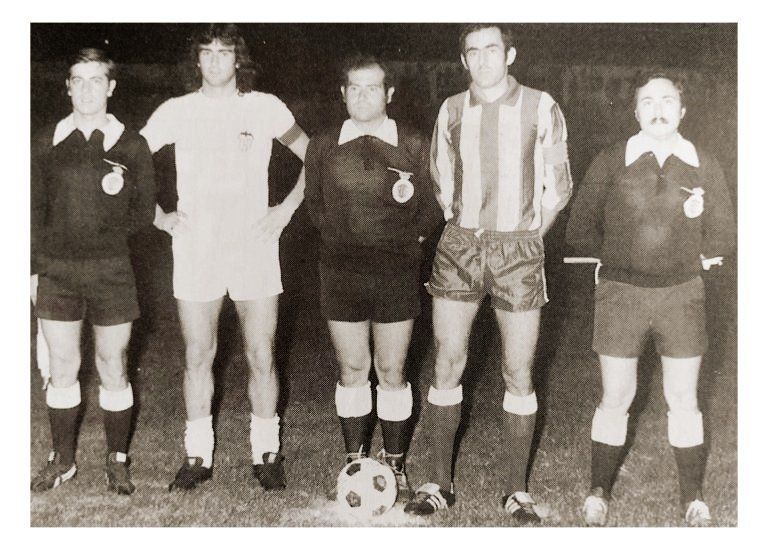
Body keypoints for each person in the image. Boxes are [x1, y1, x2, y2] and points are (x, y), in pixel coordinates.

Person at [404, 24, 573, 521]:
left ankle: (515, 490)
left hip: (518, 248)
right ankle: (438, 482)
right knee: (446, 362)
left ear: (510, 54)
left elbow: (558, 184)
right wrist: (463, 222)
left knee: (518, 370)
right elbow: (440, 176)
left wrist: (529, 236)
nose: (482, 60)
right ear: (464, 60)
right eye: (473, 52)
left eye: (491, 50)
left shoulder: (541, 105)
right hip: (460, 245)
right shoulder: (451, 109)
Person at [140, 24, 309, 491]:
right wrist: (158, 216)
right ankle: (197, 455)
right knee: (198, 353)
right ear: (196, 60)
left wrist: (285, 210)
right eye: (207, 52)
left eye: (224, 51)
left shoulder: (265, 106)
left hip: (254, 246)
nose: (215, 60)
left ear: (239, 59)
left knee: (261, 353)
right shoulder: (176, 110)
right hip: (196, 248)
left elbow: (316, 154)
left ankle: (266, 452)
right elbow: (130, 161)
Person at [565, 72, 736, 527]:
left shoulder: (704, 164)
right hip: (621, 295)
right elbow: (579, 228)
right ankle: (599, 491)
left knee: (683, 397)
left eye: (668, 100)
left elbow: (724, 234)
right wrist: (616, 263)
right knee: (616, 394)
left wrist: (696, 251)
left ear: (683, 110)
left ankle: (693, 497)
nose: (658, 109)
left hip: (682, 295)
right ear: (635, 111)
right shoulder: (611, 159)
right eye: (647, 101)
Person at [304, 55, 442, 501]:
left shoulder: (414, 143)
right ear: (343, 93)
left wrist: (405, 240)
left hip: (395, 268)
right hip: (339, 268)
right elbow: (314, 204)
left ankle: (395, 465)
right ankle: (355, 461)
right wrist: (345, 240)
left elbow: (434, 205)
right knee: (352, 368)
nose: (363, 97)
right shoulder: (324, 144)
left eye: (373, 88)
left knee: (391, 369)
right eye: (354, 88)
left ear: (389, 94)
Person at [30, 48, 155, 495]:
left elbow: (143, 212)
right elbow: (30, 210)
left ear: (111, 87)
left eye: (96, 80)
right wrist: (34, 269)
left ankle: (117, 459)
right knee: (62, 365)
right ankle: (62, 460)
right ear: (67, 87)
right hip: (57, 272)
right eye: (78, 81)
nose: (87, 90)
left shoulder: (131, 143)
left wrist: (104, 237)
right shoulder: (46, 141)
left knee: (112, 363)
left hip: (111, 271)